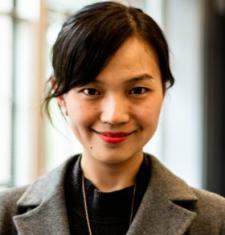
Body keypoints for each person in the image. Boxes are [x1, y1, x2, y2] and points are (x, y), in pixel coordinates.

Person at [0, 1, 225, 234]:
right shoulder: (4, 216)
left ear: (163, 90)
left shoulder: (216, 220)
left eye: (137, 90)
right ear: (61, 96)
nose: (114, 116)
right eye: (91, 91)